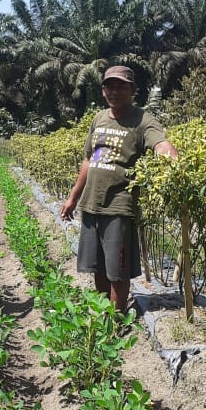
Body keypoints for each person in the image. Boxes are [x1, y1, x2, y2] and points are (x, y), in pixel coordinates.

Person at [60, 65, 178, 314]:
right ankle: (103, 315)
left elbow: (160, 144)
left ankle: (115, 321)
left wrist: (172, 160)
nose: (114, 91)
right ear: (103, 91)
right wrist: (73, 198)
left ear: (133, 90)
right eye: (109, 86)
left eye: (121, 86)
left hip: (119, 206)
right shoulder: (99, 118)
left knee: (117, 271)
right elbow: (89, 159)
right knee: (98, 267)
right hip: (91, 203)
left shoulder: (143, 120)